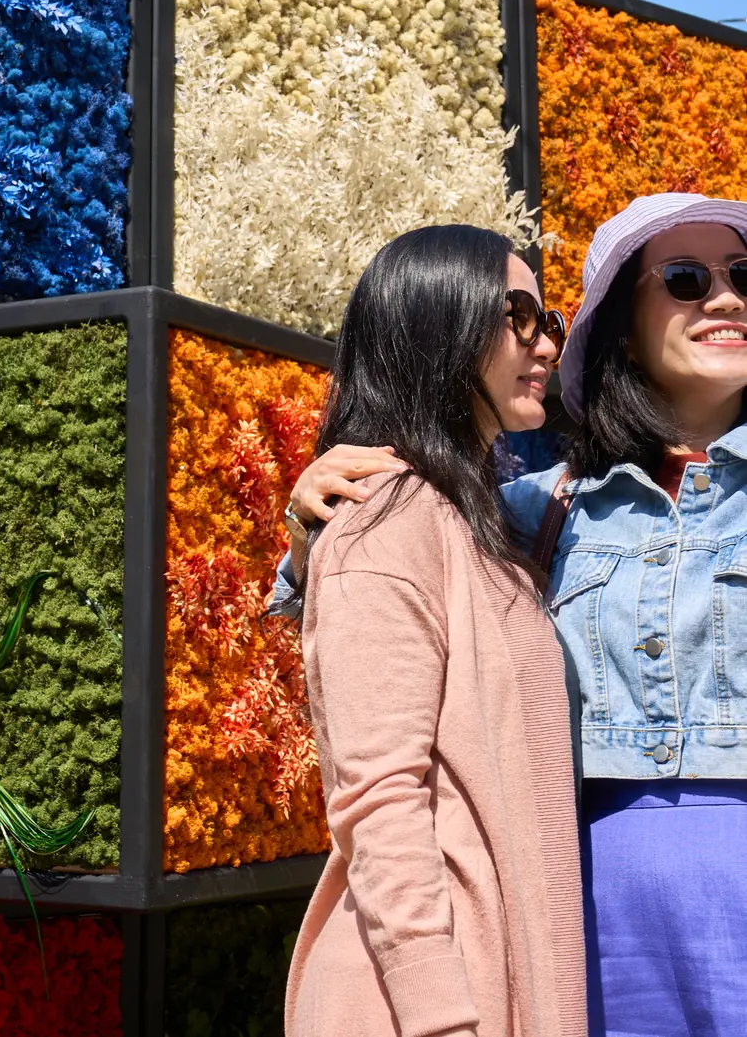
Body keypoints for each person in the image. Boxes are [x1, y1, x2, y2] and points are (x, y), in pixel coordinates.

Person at [283, 192, 747, 1037]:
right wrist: (315, 524)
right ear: (622, 327)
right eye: (684, 277)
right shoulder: (535, 511)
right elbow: (376, 663)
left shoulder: (487, 517)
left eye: (744, 276)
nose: (725, 297)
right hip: (579, 915)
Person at [282, 223, 585, 1037]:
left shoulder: (465, 520)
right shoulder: (390, 520)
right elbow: (378, 798)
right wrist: (439, 1014)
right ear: (435, 321)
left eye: (549, 320)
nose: (546, 342)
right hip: (429, 1005)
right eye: (518, 314)